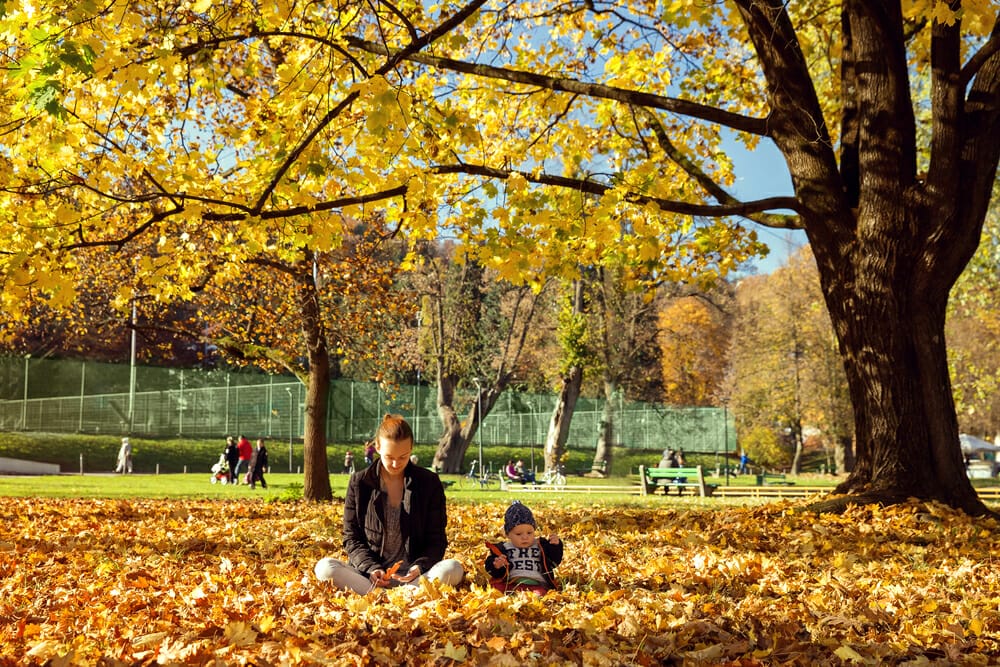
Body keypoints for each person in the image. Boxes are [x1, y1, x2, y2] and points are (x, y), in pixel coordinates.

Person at [314, 414, 464, 594]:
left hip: (415, 578)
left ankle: (398, 596)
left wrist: (419, 567)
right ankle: (394, 597)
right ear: (377, 447)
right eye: (389, 456)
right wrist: (371, 568)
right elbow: (351, 537)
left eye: (403, 456)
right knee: (324, 568)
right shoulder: (360, 482)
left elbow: (436, 539)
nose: (395, 463)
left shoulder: (429, 483)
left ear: (411, 449)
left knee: (453, 568)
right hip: (369, 578)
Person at [484, 501, 562, 595]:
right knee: (496, 589)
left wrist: (555, 546)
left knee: (540, 593)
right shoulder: (503, 548)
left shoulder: (541, 545)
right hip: (512, 583)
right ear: (508, 534)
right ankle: (510, 595)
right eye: (518, 534)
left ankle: (531, 597)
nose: (525, 537)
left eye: (529, 533)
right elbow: (490, 569)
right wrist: (496, 565)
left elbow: (554, 561)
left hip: (536, 584)